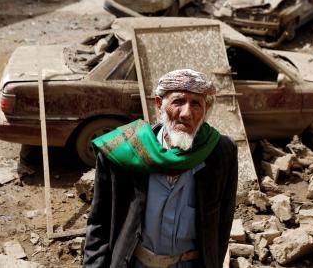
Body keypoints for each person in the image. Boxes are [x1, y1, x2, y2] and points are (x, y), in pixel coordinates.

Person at [83, 69, 238, 268]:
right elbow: (100, 224)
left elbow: (222, 226)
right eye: (178, 102)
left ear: (205, 110)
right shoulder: (126, 150)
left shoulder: (221, 152)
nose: (186, 113)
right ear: (159, 105)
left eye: (196, 104)